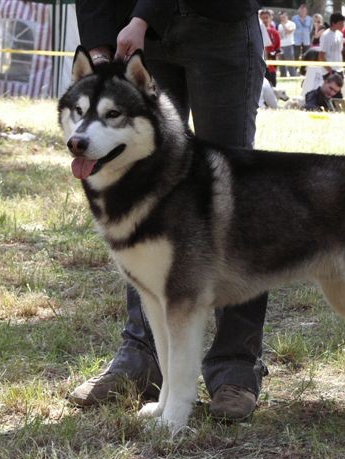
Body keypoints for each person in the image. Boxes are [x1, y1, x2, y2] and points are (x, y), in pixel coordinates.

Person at [71, 0, 268, 422]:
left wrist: (141, 17)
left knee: (232, 195)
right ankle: (142, 357)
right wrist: (100, 44)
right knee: (137, 188)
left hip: (221, 25)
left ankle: (236, 365)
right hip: (142, 34)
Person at [319, 12, 345, 77]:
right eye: (340, 23)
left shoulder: (340, 34)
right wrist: (330, 70)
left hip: (339, 69)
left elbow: (340, 52)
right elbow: (321, 56)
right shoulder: (325, 36)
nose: (343, 25)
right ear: (333, 23)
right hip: (329, 71)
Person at [260, 9, 281, 87]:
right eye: (263, 18)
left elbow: (278, 49)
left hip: (271, 65)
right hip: (259, 65)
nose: (265, 20)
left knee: (272, 87)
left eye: (267, 17)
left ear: (271, 18)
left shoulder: (275, 33)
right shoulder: (257, 32)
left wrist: (277, 65)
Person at [278, 11, 297, 77]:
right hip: (281, 46)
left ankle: (293, 77)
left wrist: (283, 25)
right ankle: (283, 76)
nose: (282, 18)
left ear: (287, 16)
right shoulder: (279, 25)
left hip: (288, 45)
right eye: (281, 17)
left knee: (290, 63)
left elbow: (288, 31)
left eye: (283, 17)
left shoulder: (292, 24)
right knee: (281, 64)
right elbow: (279, 36)